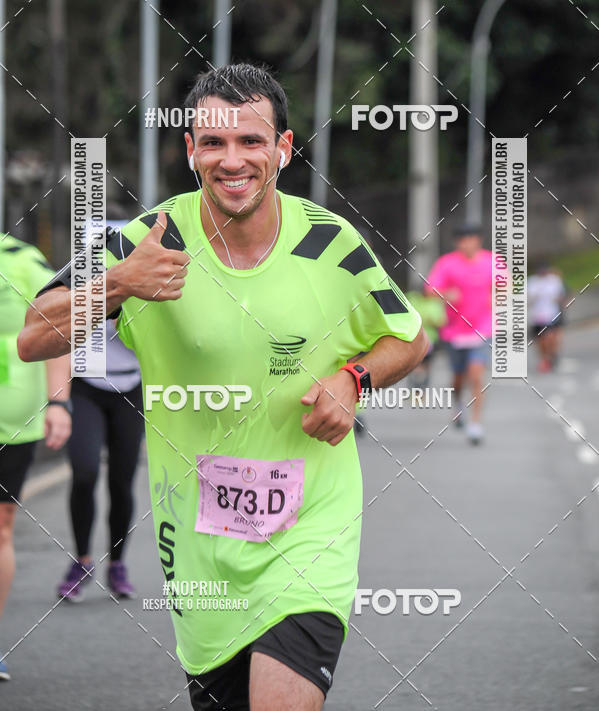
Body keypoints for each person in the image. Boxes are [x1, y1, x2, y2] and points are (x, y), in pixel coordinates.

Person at [18, 63, 428, 711]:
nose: (232, 159)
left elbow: (408, 337)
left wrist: (354, 378)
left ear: (283, 149)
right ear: (190, 152)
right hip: (199, 541)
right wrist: (119, 285)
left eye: (251, 140)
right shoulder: (147, 239)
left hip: (310, 529)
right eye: (213, 142)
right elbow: (33, 336)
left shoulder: (331, 242)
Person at [0, 234, 71, 681]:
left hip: (11, 422)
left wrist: (59, 403)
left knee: (0, 528)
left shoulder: (21, 259)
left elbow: (58, 326)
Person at [56, 254, 145, 601]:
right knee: (85, 472)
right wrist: (58, 402)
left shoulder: (143, 278)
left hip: (132, 389)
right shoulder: (77, 276)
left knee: (121, 482)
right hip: (86, 386)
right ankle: (82, 561)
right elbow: (56, 334)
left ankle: (117, 564)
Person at [426, 223, 493, 445]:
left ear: (479, 240)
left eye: (471, 238)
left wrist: (499, 295)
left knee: (475, 374)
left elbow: (507, 284)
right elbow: (430, 290)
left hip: (483, 328)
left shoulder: (491, 261)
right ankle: (457, 405)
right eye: (462, 240)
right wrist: (446, 294)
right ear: (457, 243)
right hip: (454, 331)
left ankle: (475, 425)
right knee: (458, 377)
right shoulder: (447, 263)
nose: (467, 243)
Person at [527, 264, 567, 372]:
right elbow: (527, 298)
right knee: (540, 341)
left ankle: (552, 355)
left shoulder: (554, 280)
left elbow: (561, 295)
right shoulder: (532, 282)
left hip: (551, 315)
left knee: (550, 337)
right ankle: (545, 358)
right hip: (536, 317)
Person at [404, 288, 446, 389]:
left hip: (429, 340)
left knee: (425, 365)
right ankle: (414, 388)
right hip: (414, 339)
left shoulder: (435, 303)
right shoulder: (412, 299)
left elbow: (441, 321)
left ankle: (422, 388)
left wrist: (430, 321)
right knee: (415, 365)